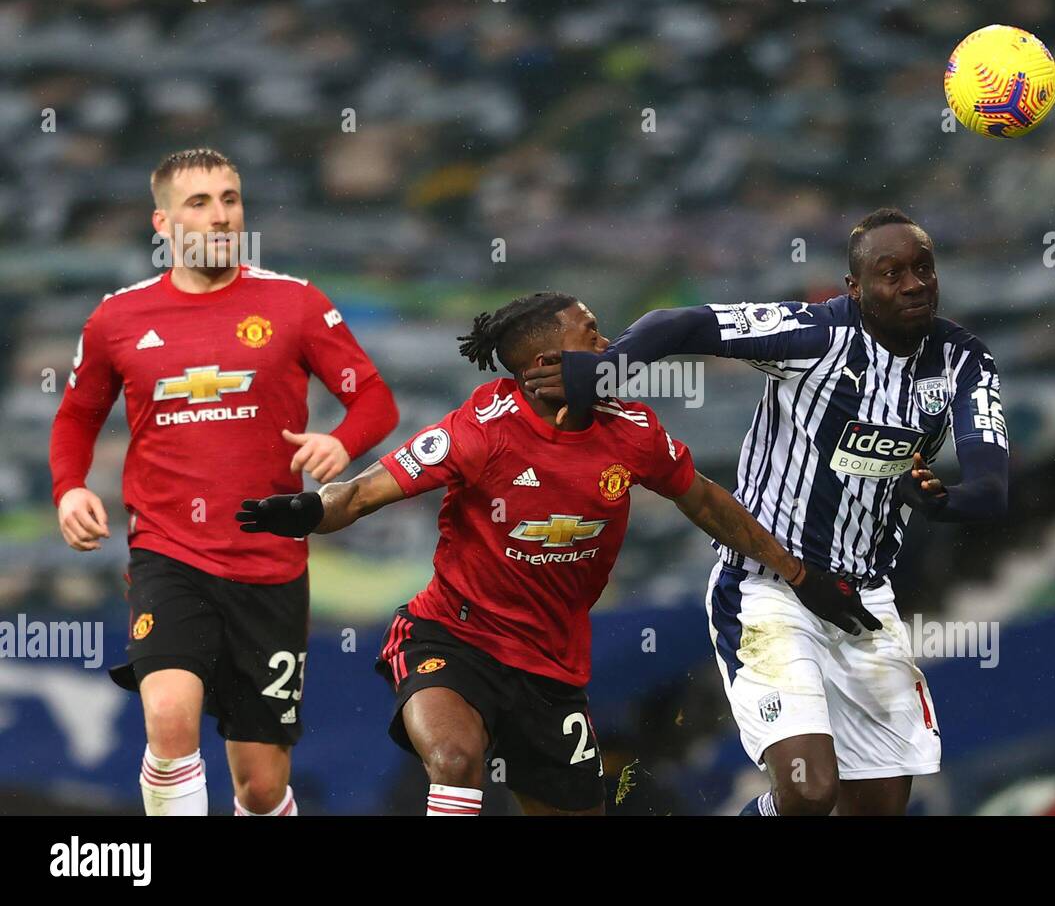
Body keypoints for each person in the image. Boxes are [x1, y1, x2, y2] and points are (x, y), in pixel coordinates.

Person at [237, 292, 868, 815]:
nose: (611, 347)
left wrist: (799, 573)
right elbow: (362, 494)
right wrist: (308, 511)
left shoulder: (634, 432)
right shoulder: (481, 430)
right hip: (451, 638)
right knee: (456, 762)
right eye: (593, 335)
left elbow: (704, 502)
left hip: (550, 670)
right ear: (546, 362)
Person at [522, 208, 1009, 815]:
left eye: (922, 269)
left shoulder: (963, 361)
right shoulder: (815, 335)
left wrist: (942, 500)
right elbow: (680, 324)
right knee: (808, 791)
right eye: (891, 273)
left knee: (879, 807)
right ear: (855, 289)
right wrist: (604, 369)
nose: (913, 284)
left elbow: (992, 488)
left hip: (864, 602)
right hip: (770, 586)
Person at [49, 148, 399, 815]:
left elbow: (375, 399)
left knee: (260, 787)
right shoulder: (116, 319)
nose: (220, 216)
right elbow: (76, 418)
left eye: (230, 199)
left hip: (269, 565)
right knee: (172, 716)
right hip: (168, 553)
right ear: (163, 222)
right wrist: (70, 486)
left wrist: (340, 441)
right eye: (199, 203)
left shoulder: (293, 304)